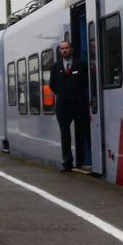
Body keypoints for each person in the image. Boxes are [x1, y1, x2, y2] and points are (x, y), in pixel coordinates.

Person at [48, 41, 89, 172]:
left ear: (71, 49)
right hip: (63, 107)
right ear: (60, 51)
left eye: (66, 48)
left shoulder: (82, 64)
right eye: (62, 49)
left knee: (86, 132)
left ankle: (93, 159)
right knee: (65, 136)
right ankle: (67, 162)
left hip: (79, 105)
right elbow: (52, 85)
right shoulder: (55, 67)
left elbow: (86, 83)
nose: (64, 50)